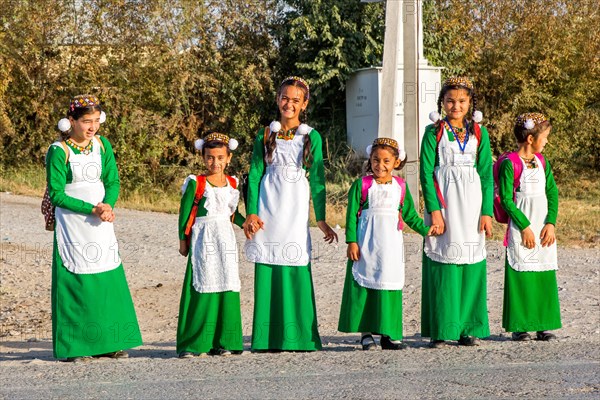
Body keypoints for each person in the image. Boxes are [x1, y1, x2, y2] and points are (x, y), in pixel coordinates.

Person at [243, 76, 338, 352]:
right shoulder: (265, 134)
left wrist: (320, 219)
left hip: (295, 206)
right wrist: (250, 212)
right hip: (268, 204)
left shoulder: (311, 136)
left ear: (304, 104)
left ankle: (299, 337)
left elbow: (318, 178)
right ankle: (267, 338)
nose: (289, 104)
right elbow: (255, 174)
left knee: (295, 262)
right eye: (285, 98)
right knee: (268, 262)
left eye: (296, 100)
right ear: (277, 99)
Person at [46, 95, 142, 361]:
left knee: (106, 279)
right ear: (71, 121)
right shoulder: (59, 151)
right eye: (86, 121)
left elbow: (112, 180)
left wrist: (108, 206)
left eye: (96, 121)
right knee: (76, 282)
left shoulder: (102, 145)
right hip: (74, 223)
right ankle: (76, 348)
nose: (92, 127)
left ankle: (110, 342)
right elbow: (56, 194)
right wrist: (93, 209)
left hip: (101, 221)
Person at [338, 138, 434, 350]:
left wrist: (426, 231)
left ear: (396, 162)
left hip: (390, 246)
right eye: (375, 160)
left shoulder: (400, 187)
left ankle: (389, 333)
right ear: (370, 160)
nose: (380, 165)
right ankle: (366, 333)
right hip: (366, 244)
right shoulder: (362, 185)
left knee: (389, 284)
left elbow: (409, 214)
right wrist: (351, 242)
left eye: (386, 161)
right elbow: (351, 216)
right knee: (366, 285)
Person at [420, 77, 493, 348]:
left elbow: (486, 174)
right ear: (442, 102)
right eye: (450, 100)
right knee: (443, 261)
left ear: (470, 103)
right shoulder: (433, 132)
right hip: (445, 204)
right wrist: (435, 211)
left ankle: (467, 328)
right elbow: (427, 174)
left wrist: (486, 211)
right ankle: (441, 329)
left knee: (471, 262)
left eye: (462, 101)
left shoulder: (479, 133)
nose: (456, 105)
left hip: (472, 206)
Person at [176, 132, 245, 357]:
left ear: (229, 158)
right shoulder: (197, 182)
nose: (215, 162)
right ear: (202, 157)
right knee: (202, 284)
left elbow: (232, 213)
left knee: (227, 284)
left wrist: (247, 224)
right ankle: (195, 343)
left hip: (225, 237)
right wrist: (182, 241)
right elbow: (185, 214)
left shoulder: (233, 182)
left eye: (220, 157)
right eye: (209, 157)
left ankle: (226, 341)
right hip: (203, 237)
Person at [498, 113, 560, 341]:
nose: (547, 141)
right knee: (520, 272)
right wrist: (524, 226)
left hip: (542, 224)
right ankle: (520, 325)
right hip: (522, 225)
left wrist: (551, 223)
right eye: (545, 137)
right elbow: (506, 198)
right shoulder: (509, 164)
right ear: (531, 138)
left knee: (543, 271)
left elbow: (552, 192)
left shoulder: (543, 162)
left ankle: (544, 324)